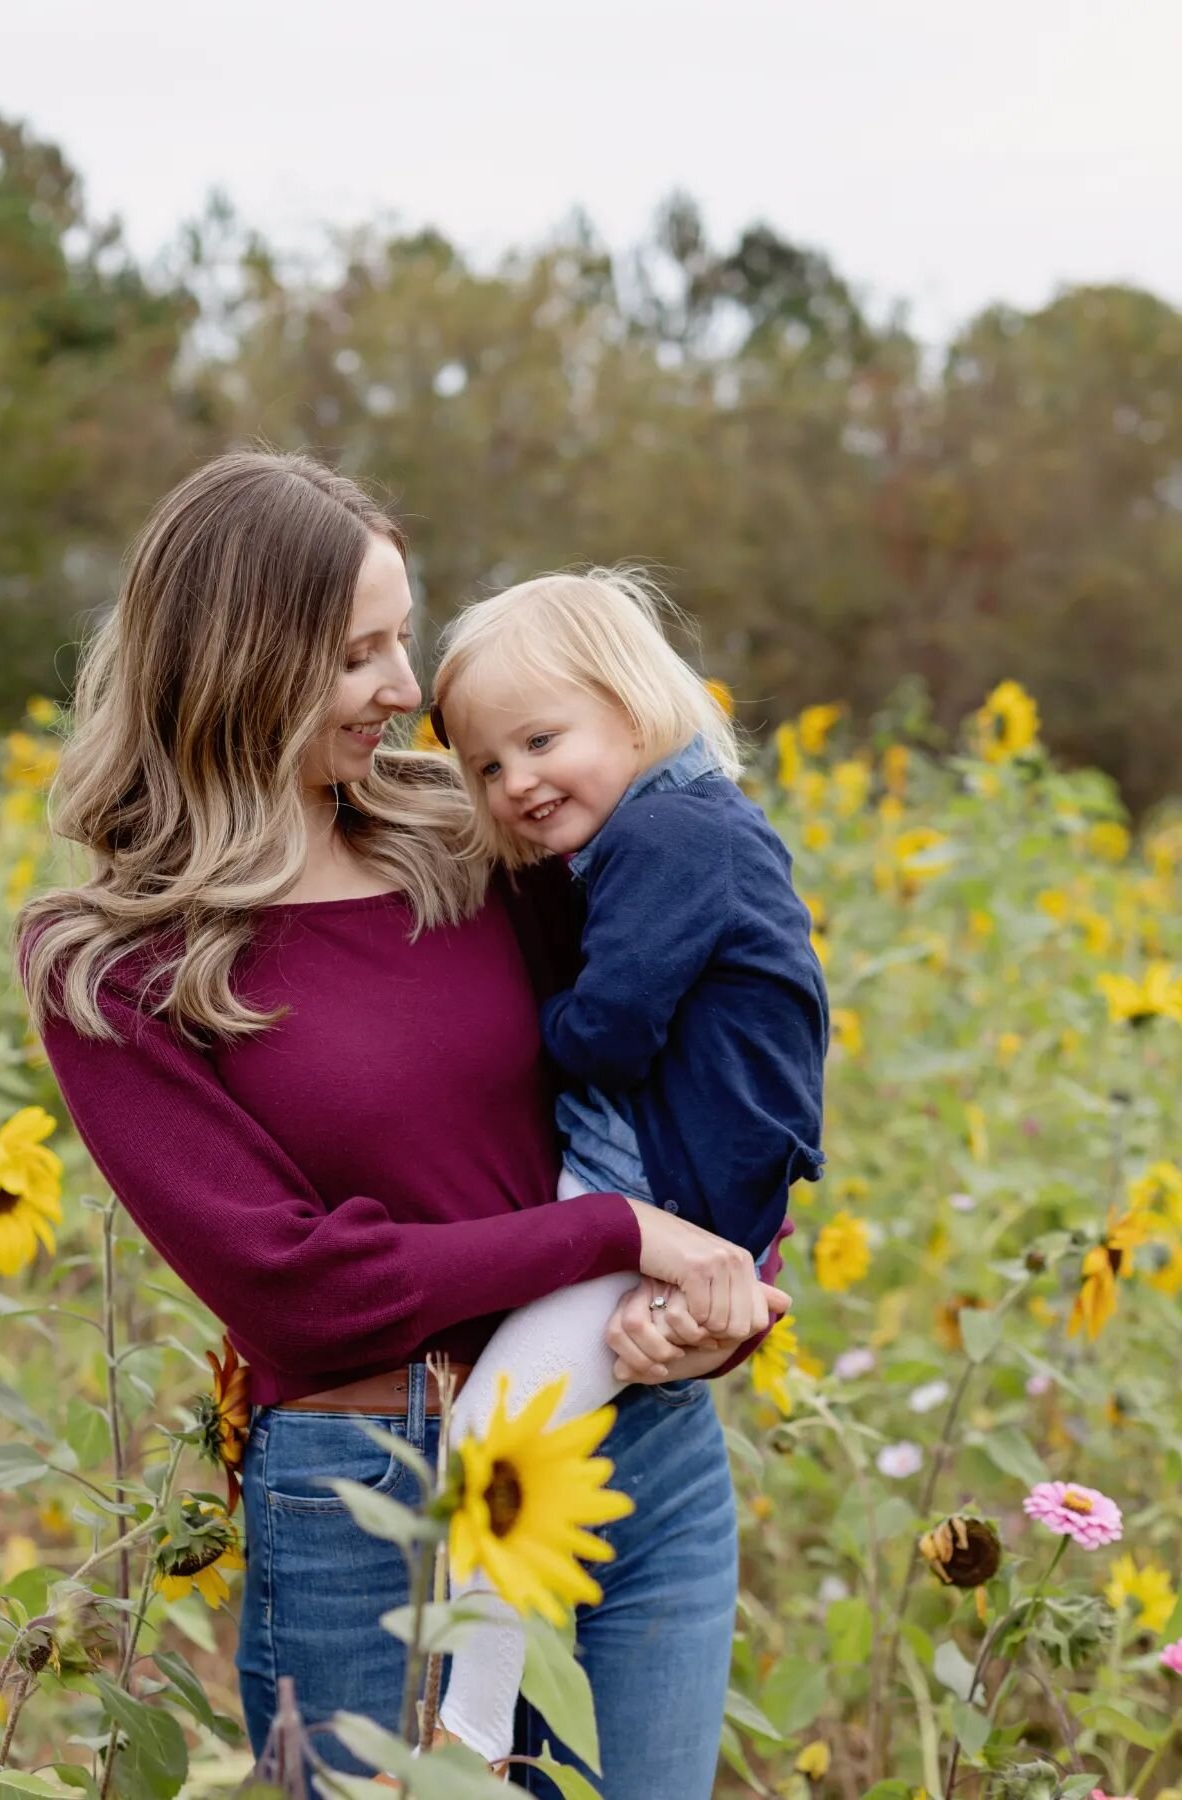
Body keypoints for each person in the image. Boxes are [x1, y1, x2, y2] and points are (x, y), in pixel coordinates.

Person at [18, 450, 786, 1798]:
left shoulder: (476, 838)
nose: (406, 690)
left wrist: (725, 1288)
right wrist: (608, 1229)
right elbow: (301, 1290)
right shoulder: (116, 960)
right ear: (238, 666)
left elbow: (687, 1057)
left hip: (632, 1438)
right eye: (357, 653)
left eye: (401, 637)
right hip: (376, 1490)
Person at [427, 569, 828, 1766]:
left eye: (543, 740)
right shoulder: (692, 825)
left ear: (636, 709)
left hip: (656, 1193)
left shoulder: (667, 836)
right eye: (489, 768)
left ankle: (470, 1723)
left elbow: (609, 1026)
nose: (517, 784)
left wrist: (516, 1037)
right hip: (682, 1186)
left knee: (498, 1436)